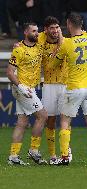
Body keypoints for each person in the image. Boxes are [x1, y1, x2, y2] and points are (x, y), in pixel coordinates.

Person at [51, 12, 87, 166]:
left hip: (74, 87)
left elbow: (55, 64)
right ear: (82, 24)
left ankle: (64, 157)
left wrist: (55, 51)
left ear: (68, 24)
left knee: (65, 121)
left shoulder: (67, 43)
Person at [6, 22, 48, 165]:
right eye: (33, 31)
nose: (37, 33)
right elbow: (9, 72)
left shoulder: (39, 45)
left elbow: (50, 33)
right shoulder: (19, 50)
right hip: (23, 89)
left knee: (22, 123)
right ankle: (34, 151)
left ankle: (13, 156)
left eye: (37, 31)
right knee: (42, 116)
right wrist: (21, 86)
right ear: (25, 32)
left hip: (30, 87)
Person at [38, 16, 71, 165]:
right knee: (50, 120)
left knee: (65, 119)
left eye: (57, 27)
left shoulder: (65, 41)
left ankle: (65, 151)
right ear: (46, 30)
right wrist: (19, 46)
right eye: (52, 28)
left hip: (65, 84)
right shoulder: (40, 39)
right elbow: (28, 43)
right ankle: (52, 154)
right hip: (49, 84)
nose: (55, 30)